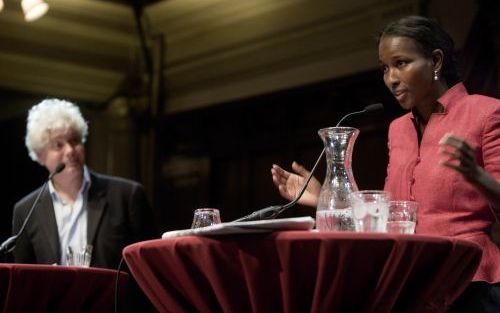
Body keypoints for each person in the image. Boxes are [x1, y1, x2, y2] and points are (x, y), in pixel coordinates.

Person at [271, 16, 500, 312]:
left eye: (401, 63)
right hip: (411, 283)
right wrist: (325, 199)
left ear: (436, 61)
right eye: (385, 68)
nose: (391, 78)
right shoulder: (398, 129)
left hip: (471, 283)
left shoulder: (486, 113)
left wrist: (477, 176)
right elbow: (388, 213)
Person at [11, 98, 158, 311]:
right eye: (58, 145)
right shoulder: (25, 210)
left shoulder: (127, 195)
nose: (70, 150)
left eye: (75, 140)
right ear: (40, 156)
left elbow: (150, 269)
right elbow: (25, 286)